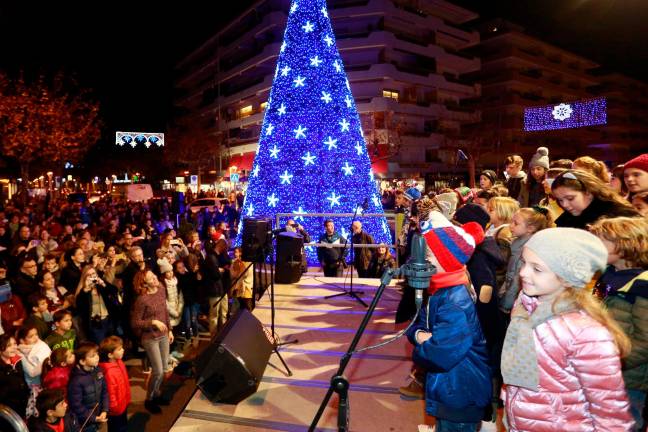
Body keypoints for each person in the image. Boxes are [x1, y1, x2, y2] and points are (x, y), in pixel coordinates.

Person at [501, 228, 634, 431]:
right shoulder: (525, 308)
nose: (523, 272)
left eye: (537, 268)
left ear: (566, 276)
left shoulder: (586, 333)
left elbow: (608, 408)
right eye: (524, 263)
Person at [404, 197, 491, 431]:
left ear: (447, 261)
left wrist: (421, 343)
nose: (423, 263)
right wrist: (421, 336)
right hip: (449, 389)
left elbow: (440, 354)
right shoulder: (439, 290)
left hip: (461, 392)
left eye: (430, 257)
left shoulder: (455, 301)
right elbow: (417, 326)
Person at [590, 217, 648, 429]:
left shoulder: (643, 284)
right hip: (600, 368)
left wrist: (614, 363)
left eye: (601, 241)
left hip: (627, 376)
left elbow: (645, 340)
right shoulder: (607, 274)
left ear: (626, 245)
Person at [131, 270, 173, 414]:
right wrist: (153, 322)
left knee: (164, 369)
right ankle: (149, 400)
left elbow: (165, 311)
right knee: (158, 371)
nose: (155, 278)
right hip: (150, 338)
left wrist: (170, 329)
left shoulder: (161, 289)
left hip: (164, 335)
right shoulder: (142, 299)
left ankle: (156, 394)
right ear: (144, 283)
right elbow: (135, 322)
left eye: (154, 275)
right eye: (151, 278)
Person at [551, 169, 638, 229]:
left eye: (570, 198)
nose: (564, 205)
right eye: (560, 200)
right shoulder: (567, 219)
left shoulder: (619, 216)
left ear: (589, 193)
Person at [67, 342, 109, 432]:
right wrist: (94, 418)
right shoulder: (76, 381)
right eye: (92, 356)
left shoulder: (98, 370)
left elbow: (105, 391)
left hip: (98, 416)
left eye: (97, 354)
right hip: (85, 422)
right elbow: (76, 406)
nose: (97, 357)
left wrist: (105, 410)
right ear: (82, 361)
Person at [99, 336, 131, 432]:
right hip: (116, 410)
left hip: (123, 402)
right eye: (119, 349)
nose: (123, 350)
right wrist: (114, 408)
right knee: (117, 428)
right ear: (110, 355)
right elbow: (110, 393)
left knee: (123, 425)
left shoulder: (119, 362)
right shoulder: (109, 372)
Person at [0, 333, 30, 419]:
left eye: (15, 344)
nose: (14, 347)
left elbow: (22, 380)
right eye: (9, 345)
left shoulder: (17, 360)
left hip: (22, 403)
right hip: (8, 409)